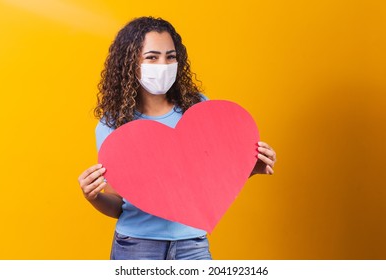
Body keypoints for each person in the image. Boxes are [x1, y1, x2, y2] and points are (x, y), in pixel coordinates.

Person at [78, 16, 277, 260]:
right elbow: (119, 205)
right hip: (137, 247)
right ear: (130, 63)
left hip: (192, 244)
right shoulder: (113, 125)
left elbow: (208, 182)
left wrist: (248, 167)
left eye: (170, 56)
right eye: (152, 57)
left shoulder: (199, 109)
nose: (163, 64)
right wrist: (93, 196)